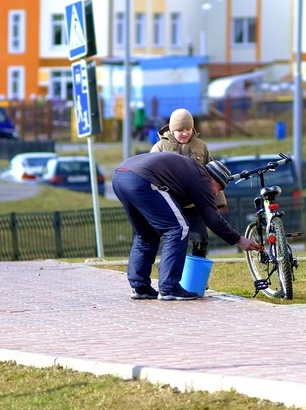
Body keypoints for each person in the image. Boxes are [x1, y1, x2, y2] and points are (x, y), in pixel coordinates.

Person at [112, 152, 262, 301]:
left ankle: (140, 287)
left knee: (146, 234)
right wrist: (239, 239)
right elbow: (212, 219)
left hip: (120, 176)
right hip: (142, 179)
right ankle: (169, 287)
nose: (216, 193)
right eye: (219, 188)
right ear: (213, 179)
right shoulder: (202, 179)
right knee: (178, 228)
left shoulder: (192, 171)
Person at [150, 108, 223, 259]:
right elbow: (150, 176)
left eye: (188, 129)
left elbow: (211, 173)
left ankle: (196, 280)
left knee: (201, 240)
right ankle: (175, 277)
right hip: (172, 205)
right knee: (175, 243)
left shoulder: (201, 146)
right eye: (180, 130)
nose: (185, 133)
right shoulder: (160, 148)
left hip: (195, 205)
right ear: (172, 129)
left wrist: (219, 201)